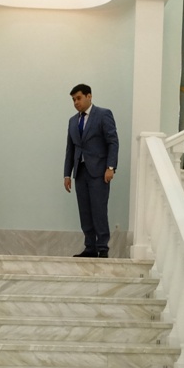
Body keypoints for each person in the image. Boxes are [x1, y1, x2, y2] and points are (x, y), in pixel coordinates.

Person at [63, 83, 119, 258]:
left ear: (89, 96)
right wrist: (67, 174)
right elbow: (70, 149)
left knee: (99, 209)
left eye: (78, 98)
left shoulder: (103, 114)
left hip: (99, 172)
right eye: (73, 100)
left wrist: (110, 167)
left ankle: (102, 247)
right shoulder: (73, 121)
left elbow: (113, 142)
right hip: (80, 172)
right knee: (85, 211)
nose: (76, 102)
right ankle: (90, 247)